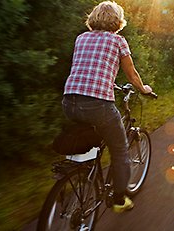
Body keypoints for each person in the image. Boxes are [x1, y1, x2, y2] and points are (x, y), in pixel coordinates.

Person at [61, 1, 152, 213]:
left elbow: (88, 68)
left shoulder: (81, 38)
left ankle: (85, 172)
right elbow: (132, 74)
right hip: (98, 105)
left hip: (69, 101)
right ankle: (120, 200)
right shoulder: (118, 41)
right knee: (120, 149)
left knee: (93, 138)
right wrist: (144, 89)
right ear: (117, 21)